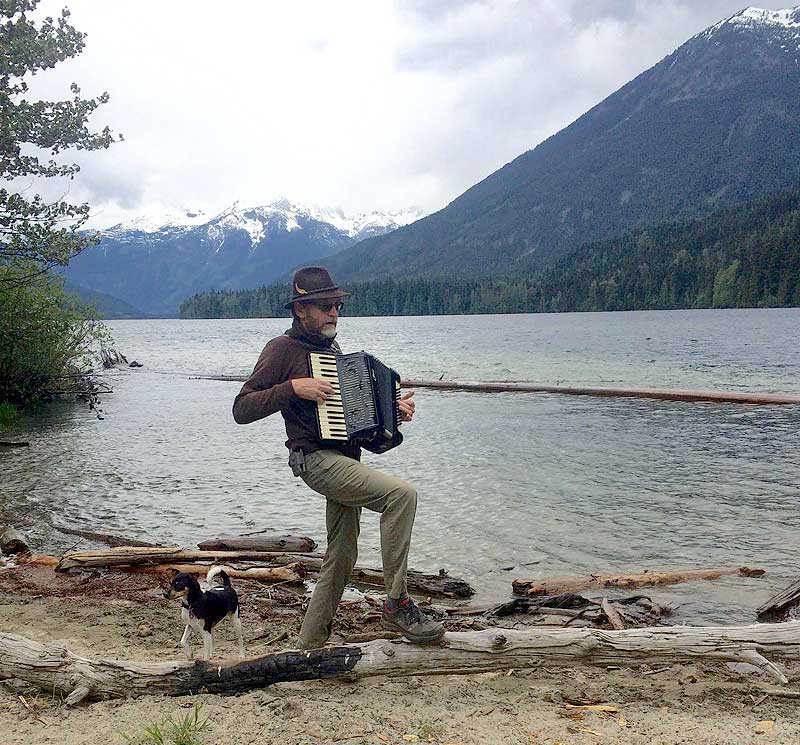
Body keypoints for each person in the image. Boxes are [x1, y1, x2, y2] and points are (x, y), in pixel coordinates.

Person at [232, 266, 445, 650]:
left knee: (342, 555)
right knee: (402, 495)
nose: (334, 312)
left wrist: (393, 412)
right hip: (314, 459)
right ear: (301, 310)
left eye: (337, 305)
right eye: (325, 306)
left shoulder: (331, 352)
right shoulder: (281, 350)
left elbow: (354, 419)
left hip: (345, 458)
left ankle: (308, 648)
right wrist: (293, 388)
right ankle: (396, 602)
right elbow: (242, 408)